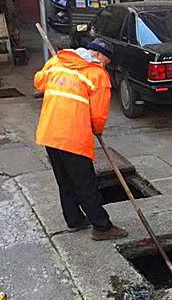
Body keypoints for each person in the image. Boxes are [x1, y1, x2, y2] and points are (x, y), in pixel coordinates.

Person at [34, 39, 128, 241]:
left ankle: (74, 219)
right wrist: (97, 130)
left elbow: (39, 82)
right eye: (106, 60)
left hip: (49, 132)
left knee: (65, 179)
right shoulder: (97, 74)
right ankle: (102, 227)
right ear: (98, 55)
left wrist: (56, 70)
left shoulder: (59, 60)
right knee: (85, 183)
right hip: (73, 135)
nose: (105, 65)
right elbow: (98, 115)